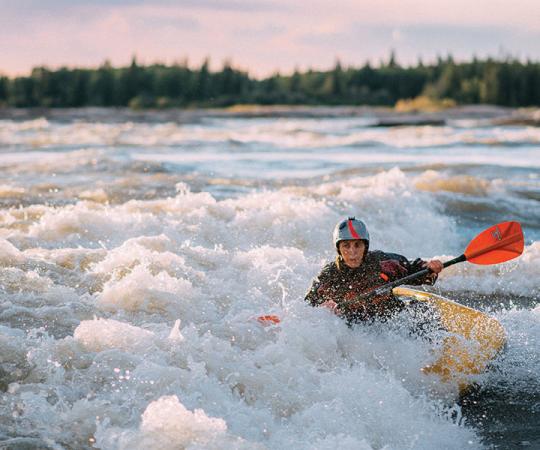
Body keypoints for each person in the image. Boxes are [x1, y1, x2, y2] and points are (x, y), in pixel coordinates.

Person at [305, 217, 444, 324]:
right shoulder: (330, 275)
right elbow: (308, 306)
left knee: (421, 308)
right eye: (346, 246)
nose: (352, 252)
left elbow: (414, 269)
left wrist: (430, 268)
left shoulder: (383, 262)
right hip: (357, 329)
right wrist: (324, 308)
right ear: (338, 249)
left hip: (391, 321)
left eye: (357, 245)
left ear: (365, 246)